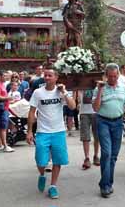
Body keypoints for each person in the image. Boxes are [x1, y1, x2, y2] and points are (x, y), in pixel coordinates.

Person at [26, 67, 76, 199]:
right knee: (41, 161)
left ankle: (53, 186)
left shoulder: (60, 92)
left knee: (57, 160)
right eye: (45, 75)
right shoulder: (38, 92)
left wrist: (64, 92)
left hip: (58, 131)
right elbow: (32, 112)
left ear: (56, 77)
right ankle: (42, 175)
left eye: (50, 75)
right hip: (42, 131)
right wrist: (29, 131)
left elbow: (72, 106)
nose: (47, 78)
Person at [92, 63, 125, 198]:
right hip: (103, 121)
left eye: (115, 76)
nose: (112, 79)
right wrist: (99, 90)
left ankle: (108, 183)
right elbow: (96, 108)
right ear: (106, 76)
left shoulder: (123, 88)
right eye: (110, 76)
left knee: (113, 156)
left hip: (117, 122)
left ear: (118, 75)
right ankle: (105, 186)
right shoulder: (99, 88)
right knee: (106, 153)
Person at [0, 71, 14, 153]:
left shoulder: (1, 84)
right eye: (4, 76)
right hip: (1, 108)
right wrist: (7, 98)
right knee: (3, 127)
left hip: (4, 107)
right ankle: (5, 145)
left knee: (1, 127)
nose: (6, 77)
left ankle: (0, 144)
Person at [78, 89, 100, 170]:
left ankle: (96, 155)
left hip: (96, 111)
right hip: (84, 112)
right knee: (85, 136)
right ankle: (87, 157)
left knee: (97, 136)